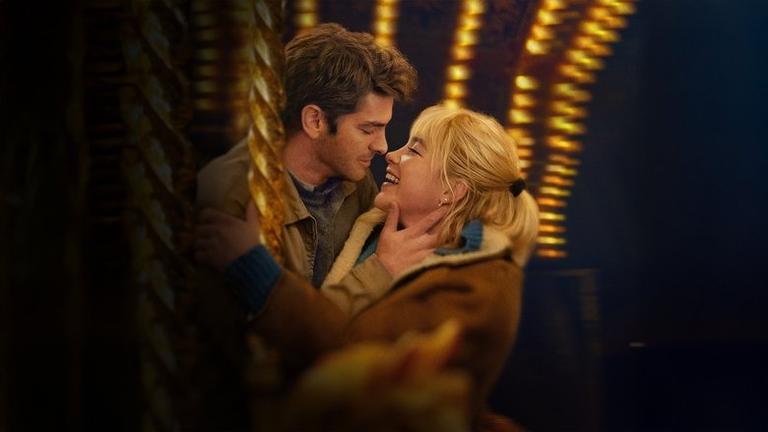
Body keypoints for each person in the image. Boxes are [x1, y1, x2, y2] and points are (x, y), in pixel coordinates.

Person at [196, 104, 540, 430]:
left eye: (414, 150)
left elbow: (350, 365)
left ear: (453, 191)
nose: (391, 154)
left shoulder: (479, 287)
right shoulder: (372, 230)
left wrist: (256, 271)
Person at [191, 23, 440, 431]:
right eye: (368, 129)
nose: (382, 146)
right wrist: (379, 271)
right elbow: (266, 361)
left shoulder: (358, 185)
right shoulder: (229, 198)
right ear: (315, 121)